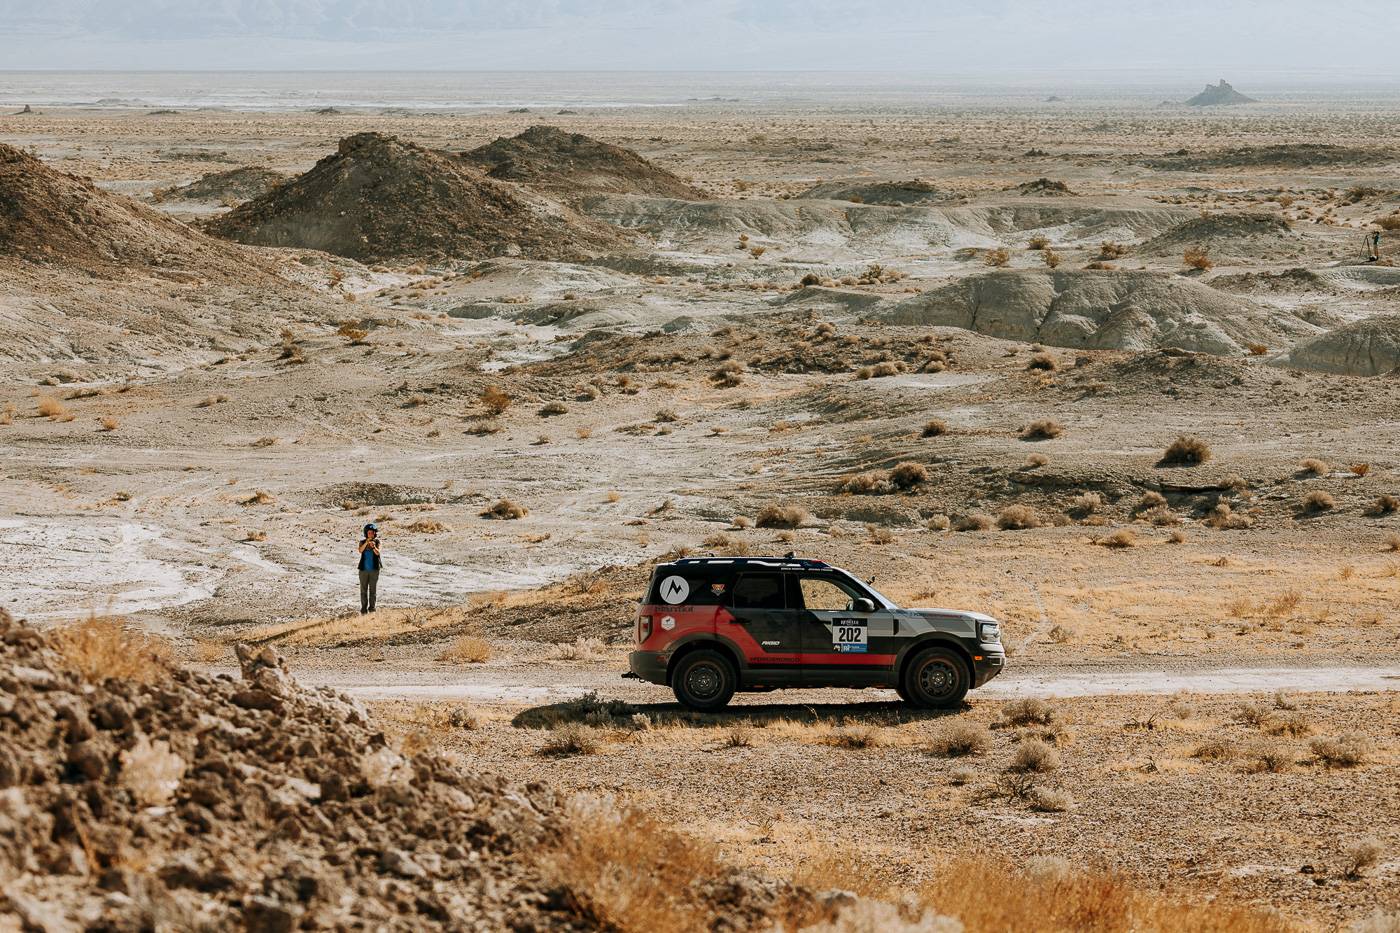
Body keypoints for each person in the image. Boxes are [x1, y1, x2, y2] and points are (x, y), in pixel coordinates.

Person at [357, 524, 382, 614]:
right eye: (369, 533)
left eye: (372, 533)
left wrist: (373, 546)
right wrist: (366, 543)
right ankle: (363, 609)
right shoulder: (362, 542)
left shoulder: (377, 542)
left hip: (374, 571)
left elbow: (378, 553)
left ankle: (372, 609)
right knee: (363, 590)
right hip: (363, 570)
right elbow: (360, 550)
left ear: (375, 533)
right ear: (366, 533)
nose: (371, 534)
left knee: (373, 590)